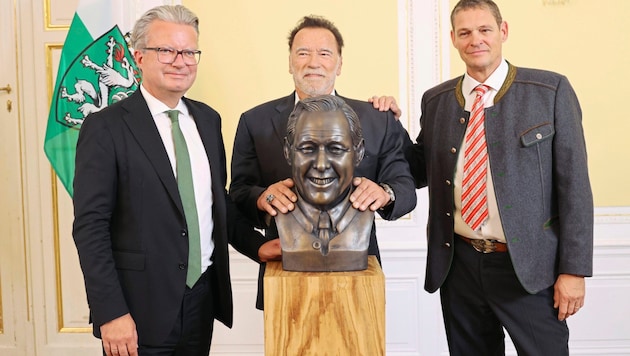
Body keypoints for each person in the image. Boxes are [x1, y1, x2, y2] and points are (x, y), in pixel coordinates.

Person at [72, 5, 266, 355]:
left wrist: (258, 247)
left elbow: (213, 202)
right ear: (138, 57)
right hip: (137, 310)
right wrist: (110, 312)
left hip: (202, 301)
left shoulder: (208, 120)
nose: (180, 60)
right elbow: (90, 228)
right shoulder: (105, 128)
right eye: (166, 50)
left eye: (189, 51)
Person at [404, 0, 594, 355]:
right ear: (454, 39)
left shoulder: (550, 91)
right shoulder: (437, 100)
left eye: (484, 30)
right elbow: (417, 169)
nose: (475, 39)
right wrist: (386, 122)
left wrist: (574, 271)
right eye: (465, 33)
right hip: (458, 266)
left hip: (528, 269)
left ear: (502, 32)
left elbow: (576, 188)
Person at [229, 15, 417, 309]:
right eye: (302, 53)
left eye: (324, 53)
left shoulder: (376, 119)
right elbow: (238, 191)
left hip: (358, 273)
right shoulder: (255, 121)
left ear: (339, 64)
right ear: (290, 62)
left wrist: (385, 193)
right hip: (286, 270)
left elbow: (406, 185)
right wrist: (262, 198)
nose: (313, 62)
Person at [277, 95, 373, 272]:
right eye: (307, 148)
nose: (321, 165)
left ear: (358, 153)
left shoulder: (367, 209)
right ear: (288, 152)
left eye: (336, 149)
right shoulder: (277, 205)